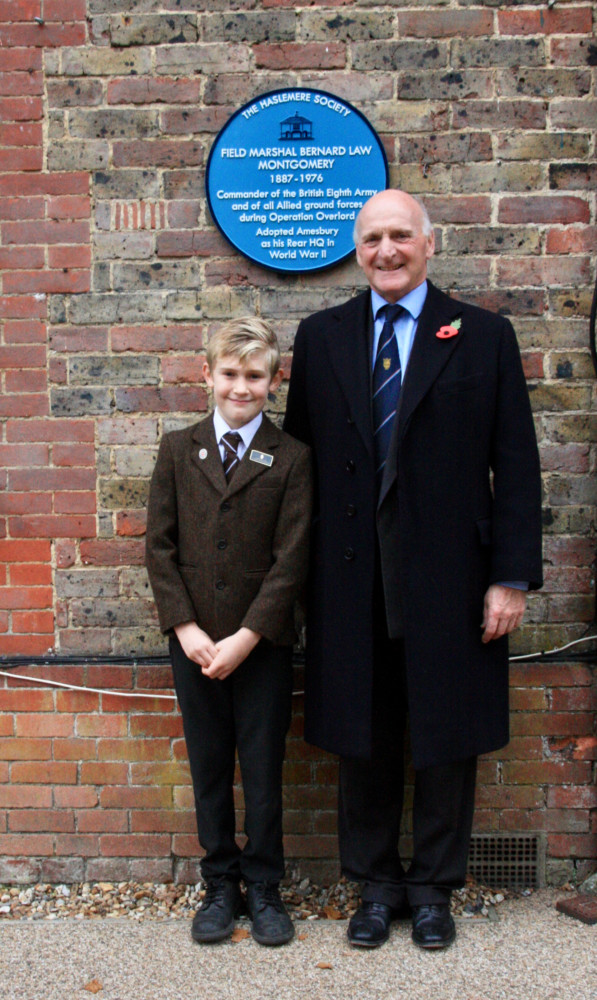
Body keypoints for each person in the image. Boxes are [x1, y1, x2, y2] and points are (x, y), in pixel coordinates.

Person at [283, 189, 542, 950]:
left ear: (430, 243)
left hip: (452, 581)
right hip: (348, 578)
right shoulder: (322, 336)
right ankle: (374, 885)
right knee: (360, 737)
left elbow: (516, 466)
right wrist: (295, 585)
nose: (386, 251)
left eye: (400, 236)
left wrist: (510, 577)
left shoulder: (483, 337)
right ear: (356, 251)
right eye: (371, 240)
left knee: (443, 737)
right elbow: (301, 468)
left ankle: (432, 889)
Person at [146, 317, 312, 947]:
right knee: (209, 764)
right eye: (229, 374)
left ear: (274, 381)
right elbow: (159, 547)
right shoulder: (178, 449)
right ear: (207, 374)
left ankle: (265, 884)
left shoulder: (292, 457)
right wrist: (185, 627)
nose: (240, 387)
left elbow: (292, 558)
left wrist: (248, 636)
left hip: (261, 645)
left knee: (264, 764)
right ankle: (220, 882)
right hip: (194, 644)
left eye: (254, 376)